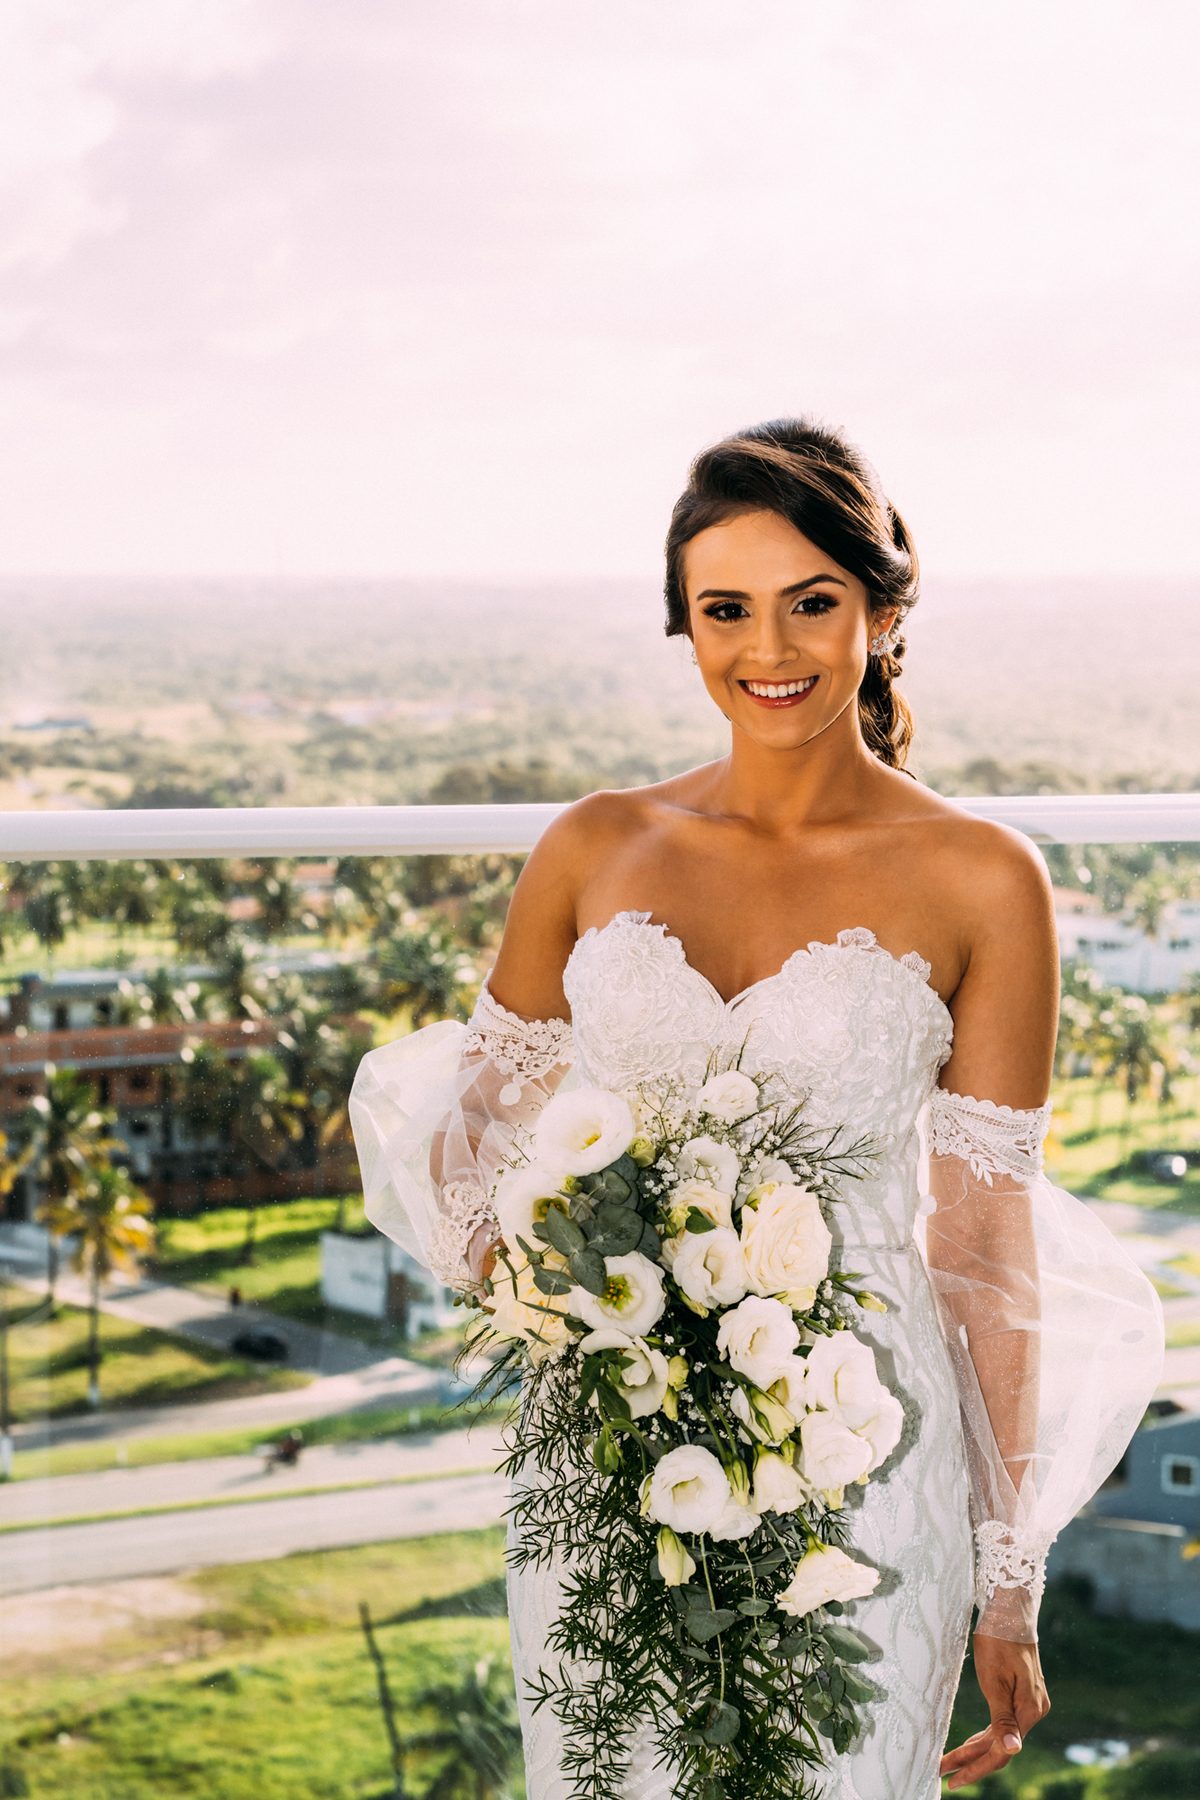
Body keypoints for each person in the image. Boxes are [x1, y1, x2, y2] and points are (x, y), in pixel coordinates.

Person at [351, 419, 1162, 1800]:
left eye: (812, 604)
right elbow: (475, 1158)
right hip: (612, 1464)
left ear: (883, 611)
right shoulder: (594, 846)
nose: (767, 650)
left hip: (867, 1458)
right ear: (683, 625)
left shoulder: (983, 879)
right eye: (725, 609)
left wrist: (1006, 1571)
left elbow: (983, 1248)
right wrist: (588, 1265)